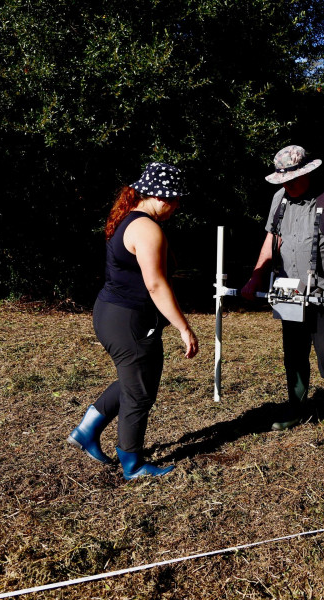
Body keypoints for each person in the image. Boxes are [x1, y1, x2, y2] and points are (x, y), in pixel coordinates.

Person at [67, 162, 199, 480]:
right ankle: (133, 463)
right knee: (139, 390)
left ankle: (87, 430)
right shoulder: (146, 228)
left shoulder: (130, 219)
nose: (177, 206)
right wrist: (184, 327)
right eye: (176, 199)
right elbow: (155, 283)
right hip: (127, 319)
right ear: (160, 196)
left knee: (137, 379)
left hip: (116, 313)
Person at [241, 145, 324, 443]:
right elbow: (272, 239)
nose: (287, 184)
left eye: (293, 178)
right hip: (288, 291)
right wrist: (256, 276)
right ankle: (296, 409)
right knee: (293, 354)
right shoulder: (279, 198)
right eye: (283, 179)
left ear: (308, 172)